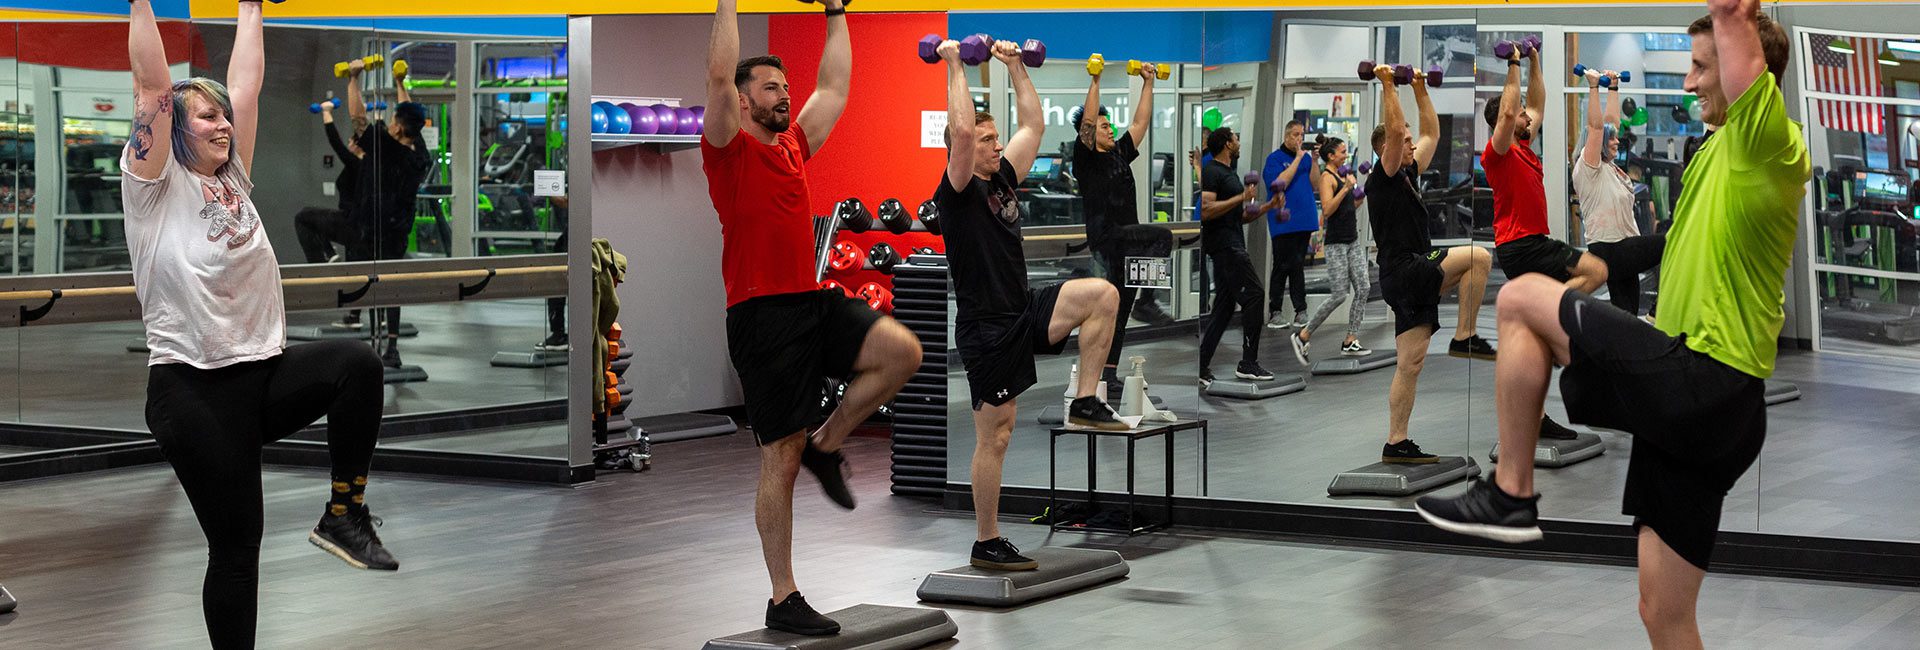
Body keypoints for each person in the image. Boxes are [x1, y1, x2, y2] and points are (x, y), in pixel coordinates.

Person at [1416, 3, 1808, 647]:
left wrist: (1732, 15)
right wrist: (1607, 261)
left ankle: (1511, 492)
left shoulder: (1766, 142)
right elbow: (1679, 241)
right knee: (1662, 610)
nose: (1688, 82)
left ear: (1748, 71)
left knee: (1518, 303)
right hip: (1715, 412)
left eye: (1702, 67)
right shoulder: (1720, 154)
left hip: (1704, 379)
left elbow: (1735, 25)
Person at [124, 2, 397, 647]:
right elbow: (153, 87)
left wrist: (251, 8)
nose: (223, 123)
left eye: (224, 117)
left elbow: (246, 84)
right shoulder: (153, 189)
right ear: (174, 131)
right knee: (238, 545)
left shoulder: (235, 178)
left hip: (260, 375)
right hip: (191, 391)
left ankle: (344, 513)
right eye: (207, 116)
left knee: (356, 366)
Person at [701, 0, 922, 636]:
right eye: (770, 86)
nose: (783, 93)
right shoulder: (727, 151)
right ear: (743, 100)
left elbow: (833, 86)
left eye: (783, 86)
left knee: (902, 352)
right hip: (759, 314)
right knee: (780, 455)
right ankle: (782, 595)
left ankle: (831, 442)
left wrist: (835, 11)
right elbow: (717, 79)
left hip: (810, 299)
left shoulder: (795, 145)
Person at [935, 36, 1129, 574]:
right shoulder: (955, 191)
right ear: (965, 145)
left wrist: (1017, 68)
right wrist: (955, 66)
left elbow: (1034, 125)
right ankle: (986, 539)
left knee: (1102, 295)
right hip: (988, 329)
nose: (997, 147)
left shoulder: (1001, 178)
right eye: (986, 139)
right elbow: (960, 133)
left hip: (1024, 307)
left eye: (997, 138)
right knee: (995, 434)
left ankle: (1085, 399)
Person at [1366, 65, 1498, 463]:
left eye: (1407, 140)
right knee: (1479, 256)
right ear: (1386, 148)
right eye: (1402, 140)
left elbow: (1432, 133)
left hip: (1405, 276)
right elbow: (1394, 130)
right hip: (1407, 268)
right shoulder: (1384, 174)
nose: (1410, 143)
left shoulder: (1407, 172)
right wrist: (1389, 84)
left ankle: (1396, 442)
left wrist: (1421, 88)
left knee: (1410, 363)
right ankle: (1465, 334)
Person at [1482, 41, 1600, 441]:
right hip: (1522, 244)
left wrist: (1533, 59)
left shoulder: (1525, 146)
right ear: (1505, 119)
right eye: (1517, 116)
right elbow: (1514, 107)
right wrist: (1513, 62)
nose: (1528, 118)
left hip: (1532, 242)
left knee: (1539, 340)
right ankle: (1554, 311)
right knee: (1595, 269)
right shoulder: (1497, 152)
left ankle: (1535, 418)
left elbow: (1537, 103)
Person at [1071, 59, 1163, 391]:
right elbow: (1089, 122)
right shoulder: (1086, 159)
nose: (1110, 129)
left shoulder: (1120, 153)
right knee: (1162, 237)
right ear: (1091, 132)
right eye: (1104, 126)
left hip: (1128, 239)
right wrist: (1095, 81)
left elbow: (1141, 121)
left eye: (1111, 126)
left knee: (1119, 311)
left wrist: (1149, 83)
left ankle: (1108, 375)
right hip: (1107, 240)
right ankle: (1149, 301)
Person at [341, 56, 433, 369]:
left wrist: (353, 78)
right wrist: (399, 84)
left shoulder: (382, 145)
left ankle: (375, 344)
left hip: (371, 228)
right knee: (391, 286)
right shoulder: (419, 156)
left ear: (395, 126)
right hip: (398, 232)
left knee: (372, 283)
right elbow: (411, 119)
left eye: (394, 120)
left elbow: (357, 116)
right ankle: (390, 347)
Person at [1573, 68, 1667, 317]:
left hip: (1621, 248)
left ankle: (1618, 352)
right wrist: (1593, 87)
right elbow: (1597, 128)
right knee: (1673, 242)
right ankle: (1662, 308)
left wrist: (1613, 87)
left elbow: (1609, 124)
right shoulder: (1589, 166)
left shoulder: (1610, 168)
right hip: (1611, 248)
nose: (1618, 141)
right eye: (1612, 140)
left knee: (1627, 314)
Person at [1197, 127, 1282, 386]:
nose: (1238, 142)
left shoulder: (1228, 172)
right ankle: (1248, 363)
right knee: (1255, 295)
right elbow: (1207, 210)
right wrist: (1241, 197)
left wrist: (1267, 206)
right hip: (1226, 247)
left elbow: (1240, 216)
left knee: (1223, 308)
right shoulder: (1212, 170)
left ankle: (1201, 366)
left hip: (1232, 242)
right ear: (1226, 143)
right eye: (1236, 138)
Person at [1288, 135, 1370, 363]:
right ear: (1331, 156)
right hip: (1336, 244)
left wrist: (1357, 196)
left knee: (1363, 288)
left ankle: (1350, 340)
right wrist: (1345, 189)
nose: (1346, 154)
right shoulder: (1327, 178)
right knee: (1339, 295)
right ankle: (1303, 335)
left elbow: (1349, 206)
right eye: (1342, 151)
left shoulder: (1344, 174)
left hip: (1352, 240)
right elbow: (1327, 210)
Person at [1262, 121, 1318, 330]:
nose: (1299, 139)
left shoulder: (1305, 159)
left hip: (1304, 220)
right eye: (1295, 134)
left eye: (1301, 135)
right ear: (1286, 136)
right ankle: (1275, 311)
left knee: (1297, 265)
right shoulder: (1274, 159)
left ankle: (1300, 311)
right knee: (1282, 265)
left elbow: (1315, 184)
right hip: (1283, 220)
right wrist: (1296, 159)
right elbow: (1279, 183)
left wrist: (1313, 160)